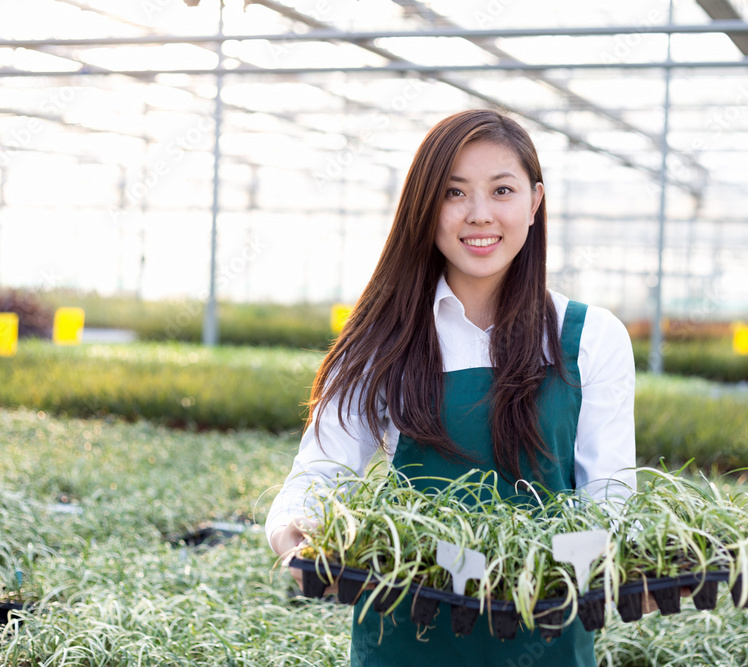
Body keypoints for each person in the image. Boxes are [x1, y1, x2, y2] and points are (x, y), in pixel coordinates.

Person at [267, 108, 637, 666]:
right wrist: (297, 529)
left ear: (535, 204)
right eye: (454, 193)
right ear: (426, 208)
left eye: (502, 190)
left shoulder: (589, 338)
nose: (479, 214)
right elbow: (321, 472)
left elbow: (609, 500)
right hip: (407, 636)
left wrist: (551, 573)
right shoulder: (384, 339)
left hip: (546, 637)